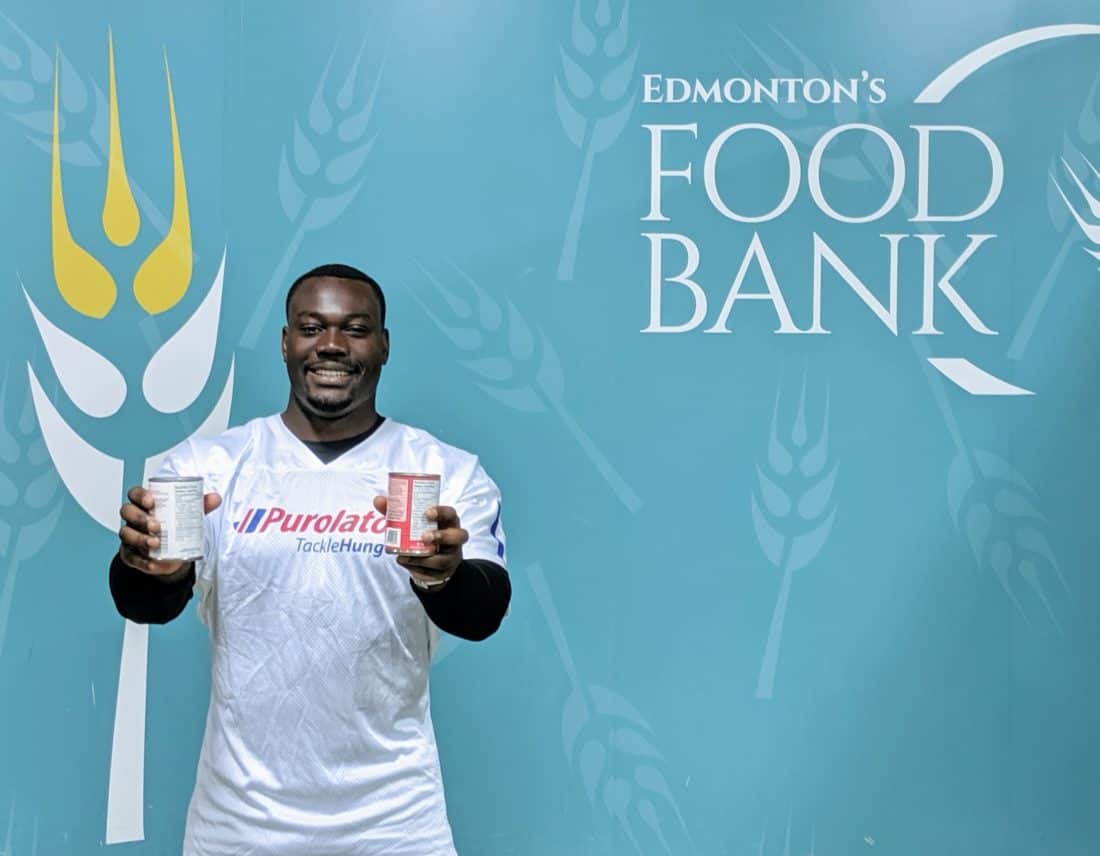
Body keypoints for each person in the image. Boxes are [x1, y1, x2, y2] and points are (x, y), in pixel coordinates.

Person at [109, 263, 511, 856]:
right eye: (311, 326)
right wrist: (147, 568)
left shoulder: (440, 471)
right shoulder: (207, 467)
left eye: (355, 328)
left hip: (395, 824)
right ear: (285, 342)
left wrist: (444, 575)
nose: (330, 344)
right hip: (239, 825)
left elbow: (482, 613)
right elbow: (145, 601)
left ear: (383, 346)